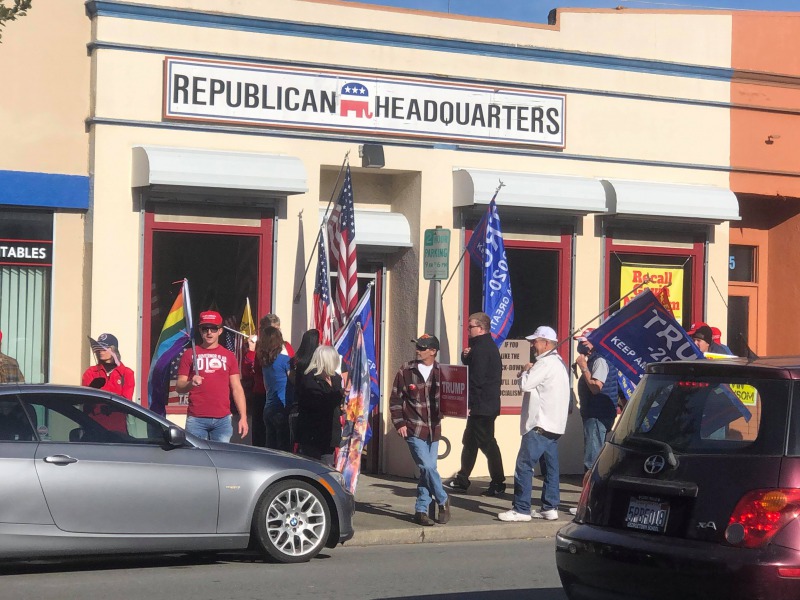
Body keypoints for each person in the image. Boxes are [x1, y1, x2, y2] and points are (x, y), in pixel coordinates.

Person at [499, 326, 570, 523]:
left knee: (524, 465)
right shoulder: (559, 363)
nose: (532, 344)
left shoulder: (545, 363)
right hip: (554, 424)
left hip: (540, 424)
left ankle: (521, 509)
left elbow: (525, 385)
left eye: (535, 341)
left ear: (546, 343)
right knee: (551, 468)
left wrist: (524, 371)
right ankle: (550, 506)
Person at [390, 334, 450, 526]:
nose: (418, 350)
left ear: (433, 351)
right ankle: (443, 499)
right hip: (413, 427)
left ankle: (421, 510)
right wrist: (399, 424)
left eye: (423, 348)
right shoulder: (406, 370)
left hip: (434, 428)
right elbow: (395, 399)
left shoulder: (443, 372)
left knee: (428, 471)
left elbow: (454, 396)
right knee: (427, 467)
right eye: (418, 346)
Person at [446, 312, 505, 496]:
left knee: (487, 444)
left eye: (470, 327)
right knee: (470, 442)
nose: (468, 330)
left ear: (480, 328)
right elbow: (474, 369)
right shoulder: (481, 347)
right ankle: (462, 479)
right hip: (483, 405)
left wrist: (469, 403)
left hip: (483, 406)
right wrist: (466, 357)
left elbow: (477, 379)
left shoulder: (483, 348)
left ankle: (498, 482)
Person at [176, 310, 249, 442]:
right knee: (198, 460)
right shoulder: (189, 354)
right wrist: (190, 383)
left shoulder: (229, 356)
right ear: (200, 330)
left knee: (221, 460)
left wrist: (243, 417)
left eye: (213, 328)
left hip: (223, 420)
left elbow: (237, 388)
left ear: (220, 331)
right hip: (196, 418)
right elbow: (179, 386)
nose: (209, 332)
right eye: (205, 328)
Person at [573, 328, 618, 473]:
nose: (580, 345)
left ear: (593, 343)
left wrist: (584, 367)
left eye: (583, 341)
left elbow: (595, 388)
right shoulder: (595, 359)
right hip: (595, 413)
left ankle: (590, 490)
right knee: (595, 454)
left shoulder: (600, 360)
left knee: (592, 458)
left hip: (598, 415)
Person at [297, 345, 345, 465]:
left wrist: (342, 407)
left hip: (330, 433)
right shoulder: (310, 379)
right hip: (313, 434)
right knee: (315, 468)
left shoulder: (336, 378)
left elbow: (335, 403)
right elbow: (318, 402)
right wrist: (338, 394)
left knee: (328, 467)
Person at [257, 325, 292, 451]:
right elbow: (293, 381)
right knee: (284, 449)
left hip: (269, 406)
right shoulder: (285, 361)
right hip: (281, 407)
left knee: (270, 447)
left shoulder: (265, 362)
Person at [288, 329, 321, 452]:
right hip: (312, 410)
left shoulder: (295, 360)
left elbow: (292, 381)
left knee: (296, 448)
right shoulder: (317, 363)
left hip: (296, 406)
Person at [82, 333, 136, 400]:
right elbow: (85, 398)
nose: (101, 351)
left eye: (104, 348)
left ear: (114, 350)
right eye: (99, 348)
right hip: (95, 410)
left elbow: (127, 401)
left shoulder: (127, 373)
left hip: (117, 410)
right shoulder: (90, 372)